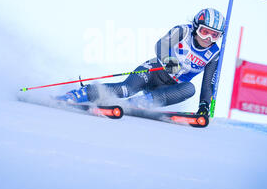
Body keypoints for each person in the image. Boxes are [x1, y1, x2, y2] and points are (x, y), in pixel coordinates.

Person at [56, 7, 225, 116]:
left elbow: (207, 84)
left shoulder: (213, 53)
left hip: (169, 88)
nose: (208, 38)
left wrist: (204, 105)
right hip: (153, 71)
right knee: (126, 89)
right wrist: (172, 65)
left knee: (190, 89)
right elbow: (161, 45)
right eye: (204, 32)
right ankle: (78, 94)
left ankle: (137, 104)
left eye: (214, 35)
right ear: (196, 27)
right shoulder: (183, 31)